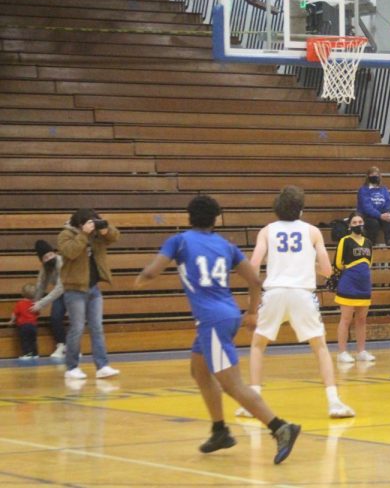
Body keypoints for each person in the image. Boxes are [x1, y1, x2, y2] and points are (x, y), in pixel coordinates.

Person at [135, 195, 301, 463]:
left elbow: (153, 272)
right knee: (199, 370)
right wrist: (252, 311)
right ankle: (220, 430)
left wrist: (140, 279)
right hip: (225, 314)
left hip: (212, 320)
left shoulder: (179, 241)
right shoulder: (225, 245)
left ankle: (280, 427)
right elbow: (255, 280)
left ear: (189, 217)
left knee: (232, 385)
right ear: (216, 219)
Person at [235, 185, 354, 419]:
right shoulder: (312, 232)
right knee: (319, 347)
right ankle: (334, 402)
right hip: (302, 293)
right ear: (301, 209)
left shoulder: (267, 230)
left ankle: (253, 402)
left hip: (274, 292)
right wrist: (307, 265)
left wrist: (253, 297)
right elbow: (329, 270)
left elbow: (254, 264)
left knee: (258, 345)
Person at [57, 208, 120, 380]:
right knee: (77, 328)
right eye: (89, 222)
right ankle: (71, 367)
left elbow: (114, 237)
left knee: (97, 328)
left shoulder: (96, 235)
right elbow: (70, 252)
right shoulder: (66, 234)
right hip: (74, 289)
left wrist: (105, 230)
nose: (93, 225)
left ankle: (102, 366)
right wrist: (83, 235)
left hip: (93, 288)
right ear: (80, 223)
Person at [334, 212, 376, 363]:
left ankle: (361, 351)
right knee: (345, 319)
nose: (358, 224)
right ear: (350, 225)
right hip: (348, 284)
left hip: (364, 286)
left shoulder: (369, 242)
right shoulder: (345, 241)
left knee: (362, 319)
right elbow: (338, 263)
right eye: (355, 222)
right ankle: (342, 352)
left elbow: (370, 262)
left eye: (360, 221)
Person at [31, 240, 67, 361]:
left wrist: (41, 304)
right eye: (46, 257)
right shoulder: (45, 268)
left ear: (54, 252)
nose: (50, 258)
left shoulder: (61, 261)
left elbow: (60, 287)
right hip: (60, 294)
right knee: (55, 317)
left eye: (51, 254)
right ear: (42, 260)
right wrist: (33, 303)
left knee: (76, 318)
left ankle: (73, 348)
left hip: (73, 291)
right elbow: (41, 285)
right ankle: (62, 344)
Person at [357, 167, 390, 246]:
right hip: (367, 216)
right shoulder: (363, 190)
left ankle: (389, 240)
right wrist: (380, 215)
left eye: (377, 174)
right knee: (374, 223)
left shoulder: (383, 189)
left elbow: (389, 201)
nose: (375, 176)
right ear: (368, 176)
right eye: (372, 174)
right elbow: (367, 207)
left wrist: (387, 212)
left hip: (382, 214)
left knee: (388, 218)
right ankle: (371, 244)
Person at [9, 283, 38, 359]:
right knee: (33, 340)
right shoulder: (34, 304)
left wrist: (12, 320)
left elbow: (14, 313)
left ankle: (27, 354)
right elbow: (37, 313)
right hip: (33, 325)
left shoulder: (20, 303)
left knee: (25, 340)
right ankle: (35, 354)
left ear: (23, 293)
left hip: (24, 326)